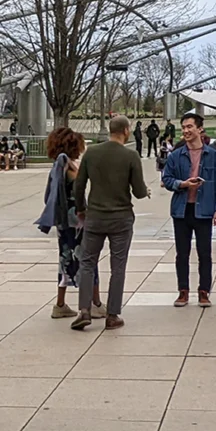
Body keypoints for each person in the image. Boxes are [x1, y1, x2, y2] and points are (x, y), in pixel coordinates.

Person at [71, 116, 149, 331]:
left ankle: (84, 310)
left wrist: (81, 209)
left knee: (87, 262)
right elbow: (139, 192)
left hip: (95, 216)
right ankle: (112, 315)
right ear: (125, 130)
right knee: (118, 266)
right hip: (121, 218)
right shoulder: (131, 155)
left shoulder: (92, 152)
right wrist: (146, 190)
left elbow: (79, 186)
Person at [36, 128, 106, 321]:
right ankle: (96, 303)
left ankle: (60, 304)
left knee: (66, 260)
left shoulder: (58, 164)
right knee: (89, 260)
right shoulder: (66, 164)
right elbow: (75, 190)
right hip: (77, 221)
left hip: (64, 222)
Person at [162, 112, 216, 308]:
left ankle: (204, 291)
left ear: (199, 129)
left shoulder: (212, 155)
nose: (186, 131)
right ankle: (183, 291)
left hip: (204, 210)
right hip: (182, 210)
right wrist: (183, 184)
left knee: (205, 253)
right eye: (184, 127)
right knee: (182, 253)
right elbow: (167, 179)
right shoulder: (175, 155)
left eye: (190, 127)